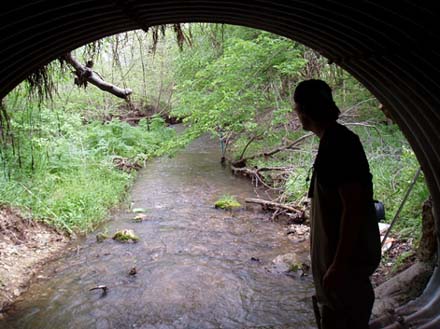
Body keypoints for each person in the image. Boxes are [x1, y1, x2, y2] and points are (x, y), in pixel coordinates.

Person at [293, 79, 381, 329]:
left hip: (344, 275)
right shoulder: (334, 140)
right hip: (338, 273)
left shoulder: (339, 145)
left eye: (297, 108)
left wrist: (338, 266)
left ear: (305, 110)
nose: (296, 113)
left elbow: (353, 209)